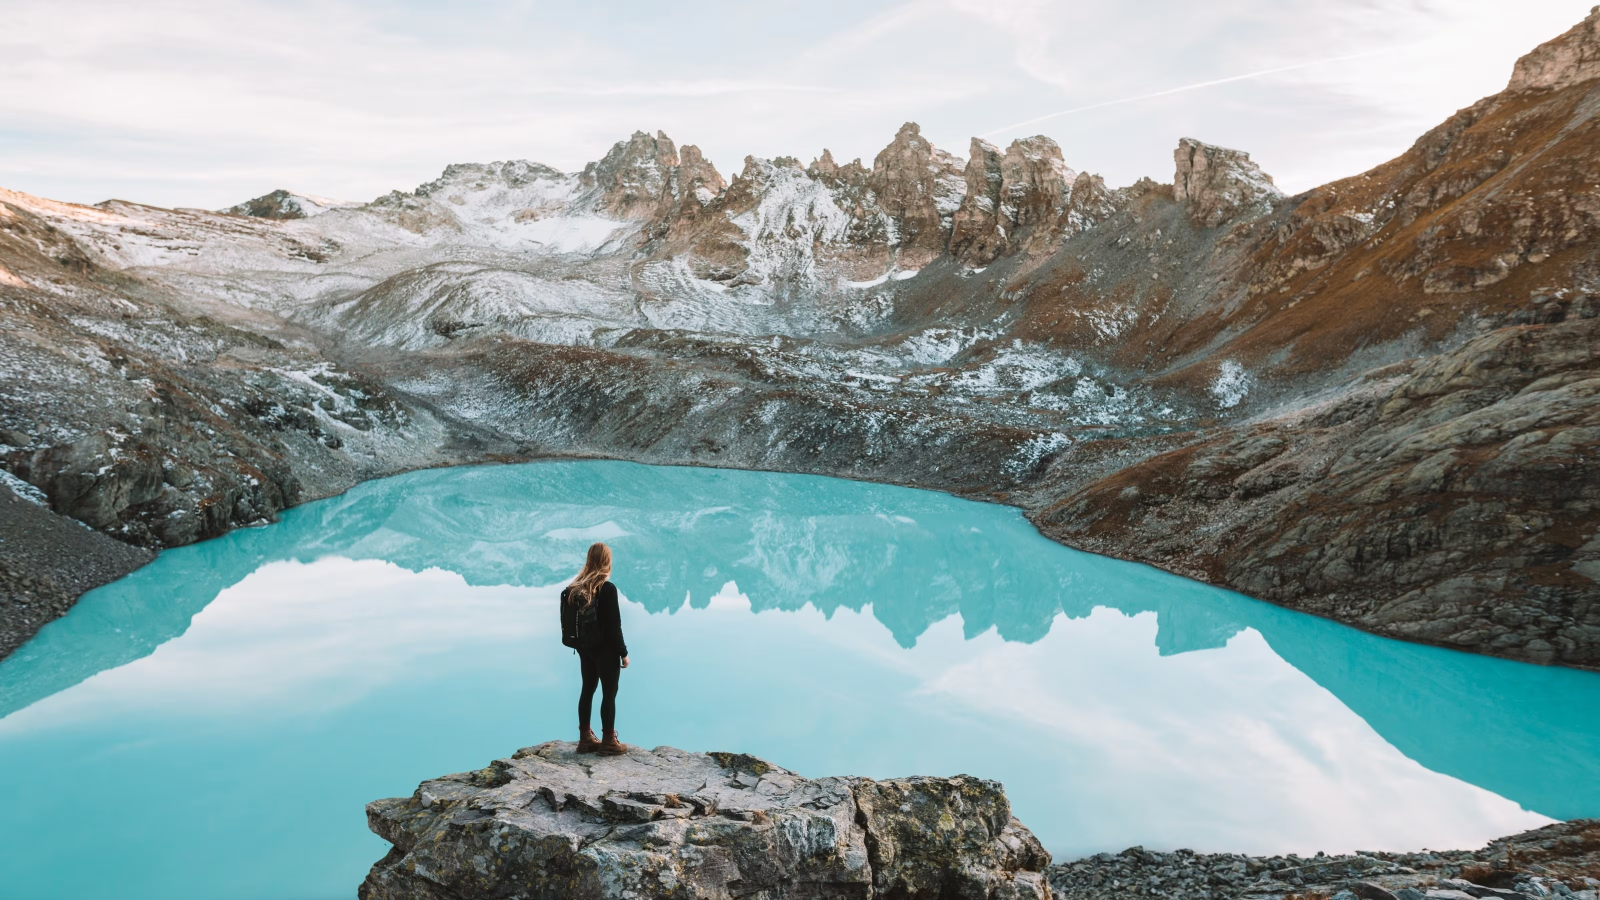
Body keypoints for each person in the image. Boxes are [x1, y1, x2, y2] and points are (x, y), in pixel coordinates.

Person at [560, 542, 630, 755]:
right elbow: (614, 626)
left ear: (589, 560)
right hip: (606, 650)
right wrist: (623, 653)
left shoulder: (575, 589)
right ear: (607, 561)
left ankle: (585, 739)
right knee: (609, 694)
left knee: (587, 690)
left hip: (585, 648)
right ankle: (609, 741)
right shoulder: (606, 589)